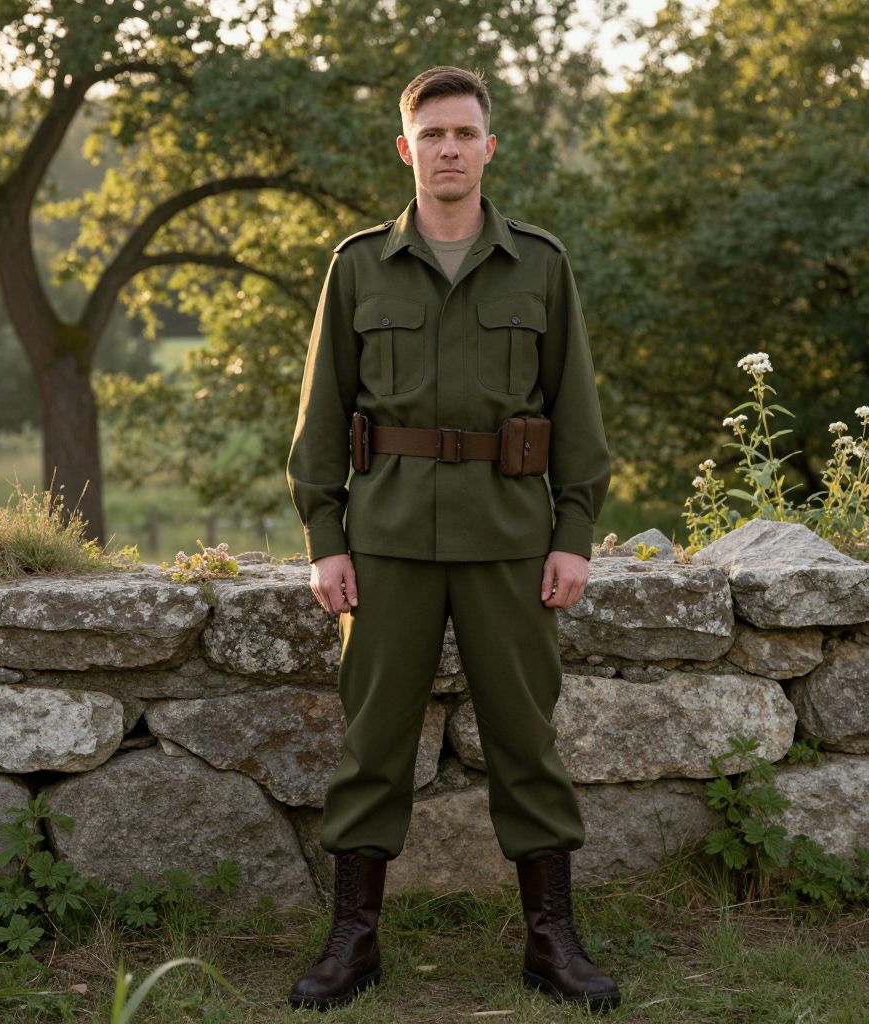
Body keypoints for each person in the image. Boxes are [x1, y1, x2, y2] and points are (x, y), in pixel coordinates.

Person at [284, 65, 619, 1013]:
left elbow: (578, 415)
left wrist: (575, 533)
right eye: (431, 134)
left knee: (525, 740)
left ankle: (552, 940)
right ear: (406, 148)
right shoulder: (356, 266)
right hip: (385, 539)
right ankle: (354, 941)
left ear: (489, 147)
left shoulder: (542, 265)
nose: (449, 149)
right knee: (373, 743)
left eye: (465, 133)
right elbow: (320, 419)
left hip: (511, 540)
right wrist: (324, 536)